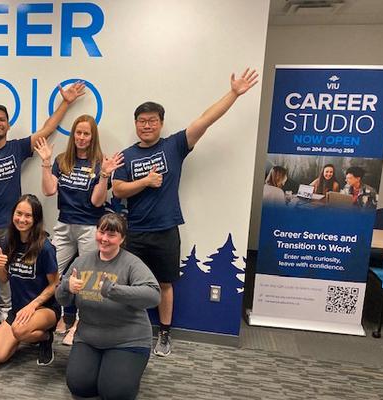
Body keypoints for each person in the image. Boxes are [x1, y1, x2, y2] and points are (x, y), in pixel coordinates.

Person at [112, 68, 258, 356]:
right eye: (141, 121)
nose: (147, 126)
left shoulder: (174, 146)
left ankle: (164, 334)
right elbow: (117, 190)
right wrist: (145, 182)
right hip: (135, 230)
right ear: (136, 124)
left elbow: (206, 120)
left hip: (166, 228)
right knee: (127, 283)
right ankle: (128, 330)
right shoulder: (126, 155)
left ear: (161, 123)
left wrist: (234, 93)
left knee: (165, 283)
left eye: (152, 121)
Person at [0, 81, 86, 335]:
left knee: (9, 271)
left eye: (1, 119)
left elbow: (47, 129)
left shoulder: (17, 148)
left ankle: (5, 310)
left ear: (8, 124)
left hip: (14, 228)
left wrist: (66, 102)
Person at [34, 114, 124, 345]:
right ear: (73, 134)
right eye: (78, 132)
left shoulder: (99, 163)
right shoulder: (63, 160)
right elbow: (48, 191)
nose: (81, 137)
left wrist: (104, 175)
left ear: (92, 137)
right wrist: (46, 162)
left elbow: (97, 202)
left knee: (88, 277)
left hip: (89, 228)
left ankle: (79, 324)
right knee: (55, 273)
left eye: (86, 133)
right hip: (64, 225)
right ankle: (60, 317)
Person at [56, 213, 160, 399]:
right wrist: (67, 287)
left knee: (115, 393)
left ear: (122, 238)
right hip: (89, 338)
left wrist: (114, 290)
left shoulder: (131, 263)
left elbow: (153, 296)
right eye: (101, 232)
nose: (104, 239)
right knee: (79, 386)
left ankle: (123, 371)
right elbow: (62, 300)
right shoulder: (82, 261)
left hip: (127, 340)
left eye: (111, 235)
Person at [0, 194, 59, 367]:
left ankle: (46, 336)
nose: (22, 219)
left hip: (44, 309)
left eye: (28, 215)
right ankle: (23, 335)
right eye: (19, 214)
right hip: (18, 310)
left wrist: (33, 305)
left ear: (36, 219)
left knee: (19, 330)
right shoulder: (6, 241)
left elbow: (55, 284)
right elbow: (3, 279)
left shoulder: (45, 247)